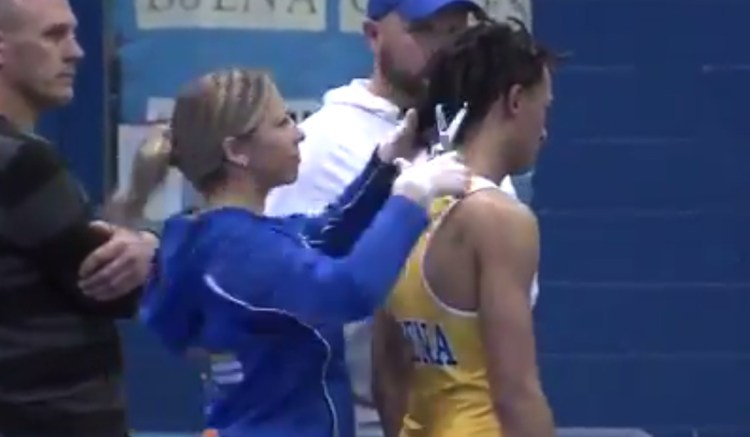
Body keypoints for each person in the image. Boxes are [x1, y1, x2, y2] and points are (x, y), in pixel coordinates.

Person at [137, 68, 471, 437]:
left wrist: (385, 164)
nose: (299, 133)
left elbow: (325, 233)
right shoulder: (236, 249)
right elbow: (347, 291)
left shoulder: (213, 236)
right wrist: (411, 199)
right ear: (236, 151)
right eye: (281, 123)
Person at [263, 2, 519, 436]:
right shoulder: (322, 146)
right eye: (424, 29)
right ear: (372, 34)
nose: (444, 46)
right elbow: (278, 298)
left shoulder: (471, 134)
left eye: (455, 30)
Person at [371, 19, 557, 437]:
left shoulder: (404, 204)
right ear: (514, 101)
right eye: (543, 107)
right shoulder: (499, 219)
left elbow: (387, 374)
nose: (544, 131)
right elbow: (516, 394)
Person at [0, 0, 158, 435]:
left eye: (72, 32)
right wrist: (147, 248)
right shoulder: (22, 162)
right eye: (53, 35)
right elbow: (110, 287)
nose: (76, 52)